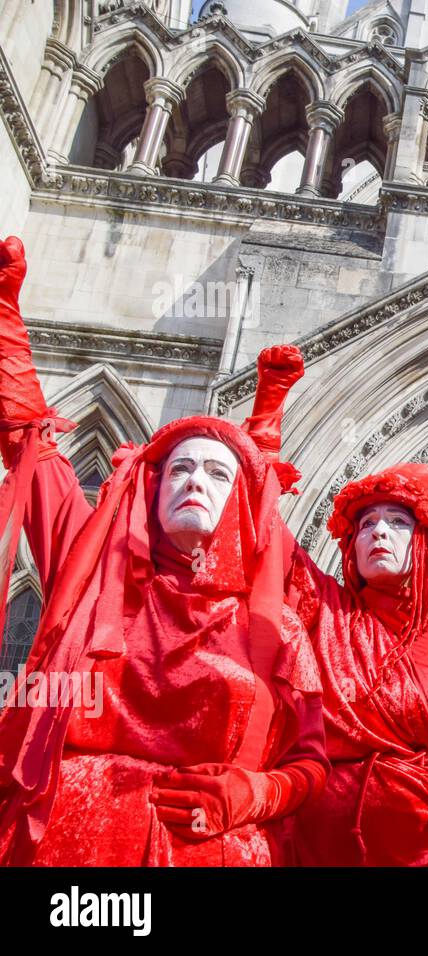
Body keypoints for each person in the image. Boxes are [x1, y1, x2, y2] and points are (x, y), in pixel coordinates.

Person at [0, 236, 326, 866]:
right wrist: (8, 328)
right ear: (152, 488)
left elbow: (307, 758)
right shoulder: (99, 571)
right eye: (178, 470)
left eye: (215, 474)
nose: (195, 481)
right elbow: (35, 457)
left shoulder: (273, 624)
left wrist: (256, 792)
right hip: (78, 854)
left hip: (211, 851)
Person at [239, 299, 428, 867]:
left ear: (424, 542)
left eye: (397, 522)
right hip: (320, 845)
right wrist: (267, 419)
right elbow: (261, 529)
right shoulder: (326, 610)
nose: (378, 532)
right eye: (366, 523)